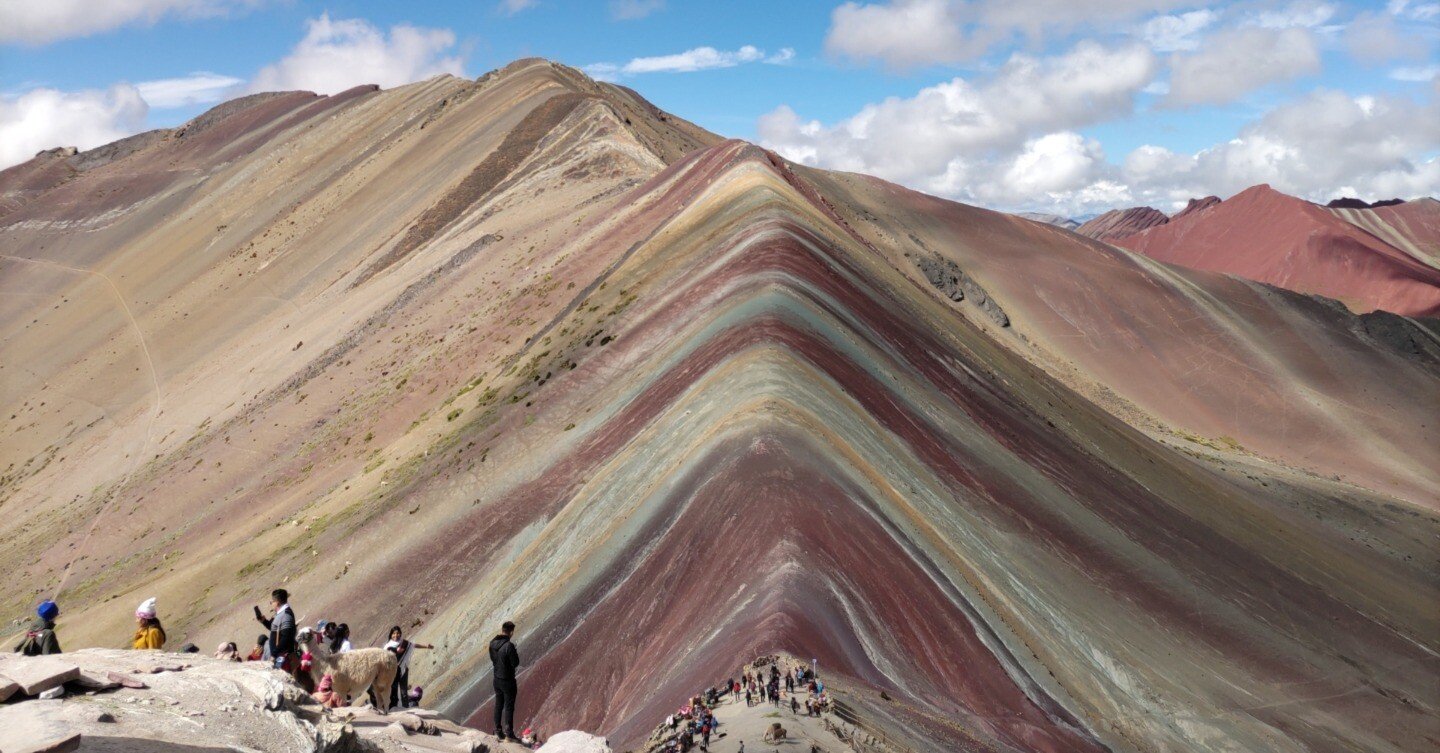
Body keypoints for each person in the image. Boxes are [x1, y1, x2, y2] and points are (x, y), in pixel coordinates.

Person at [384, 625, 434, 709]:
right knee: (394, 692)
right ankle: (393, 709)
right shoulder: (387, 646)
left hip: (403, 670)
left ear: (400, 634)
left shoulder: (404, 643)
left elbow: (414, 645)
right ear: (391, 634)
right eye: (394, 633)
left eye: (398, 633)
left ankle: (406, 710)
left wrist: (426, 646)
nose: (396, 635)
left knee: (404, 692)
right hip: (393, 672)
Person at [489, 620, 521, 742]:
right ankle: (509, 733)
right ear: (511, 632)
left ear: (502, 630)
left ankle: (497, 730)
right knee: (508, 707)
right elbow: (515, 663)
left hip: (496, 678)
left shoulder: (492, 643)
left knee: (498, 704)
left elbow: (493, 659)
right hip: (507, 680)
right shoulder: (509, 646)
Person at [254, 589, 297, 674]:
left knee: (280, 680)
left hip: (282, 657)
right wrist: (264, 621)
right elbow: (275, 630)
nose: (271, 604)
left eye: (271, 602)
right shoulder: (281, 614)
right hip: (279, 655)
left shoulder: (285, 615)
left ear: (277, 603)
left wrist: (274, 654)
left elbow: (286, 637)